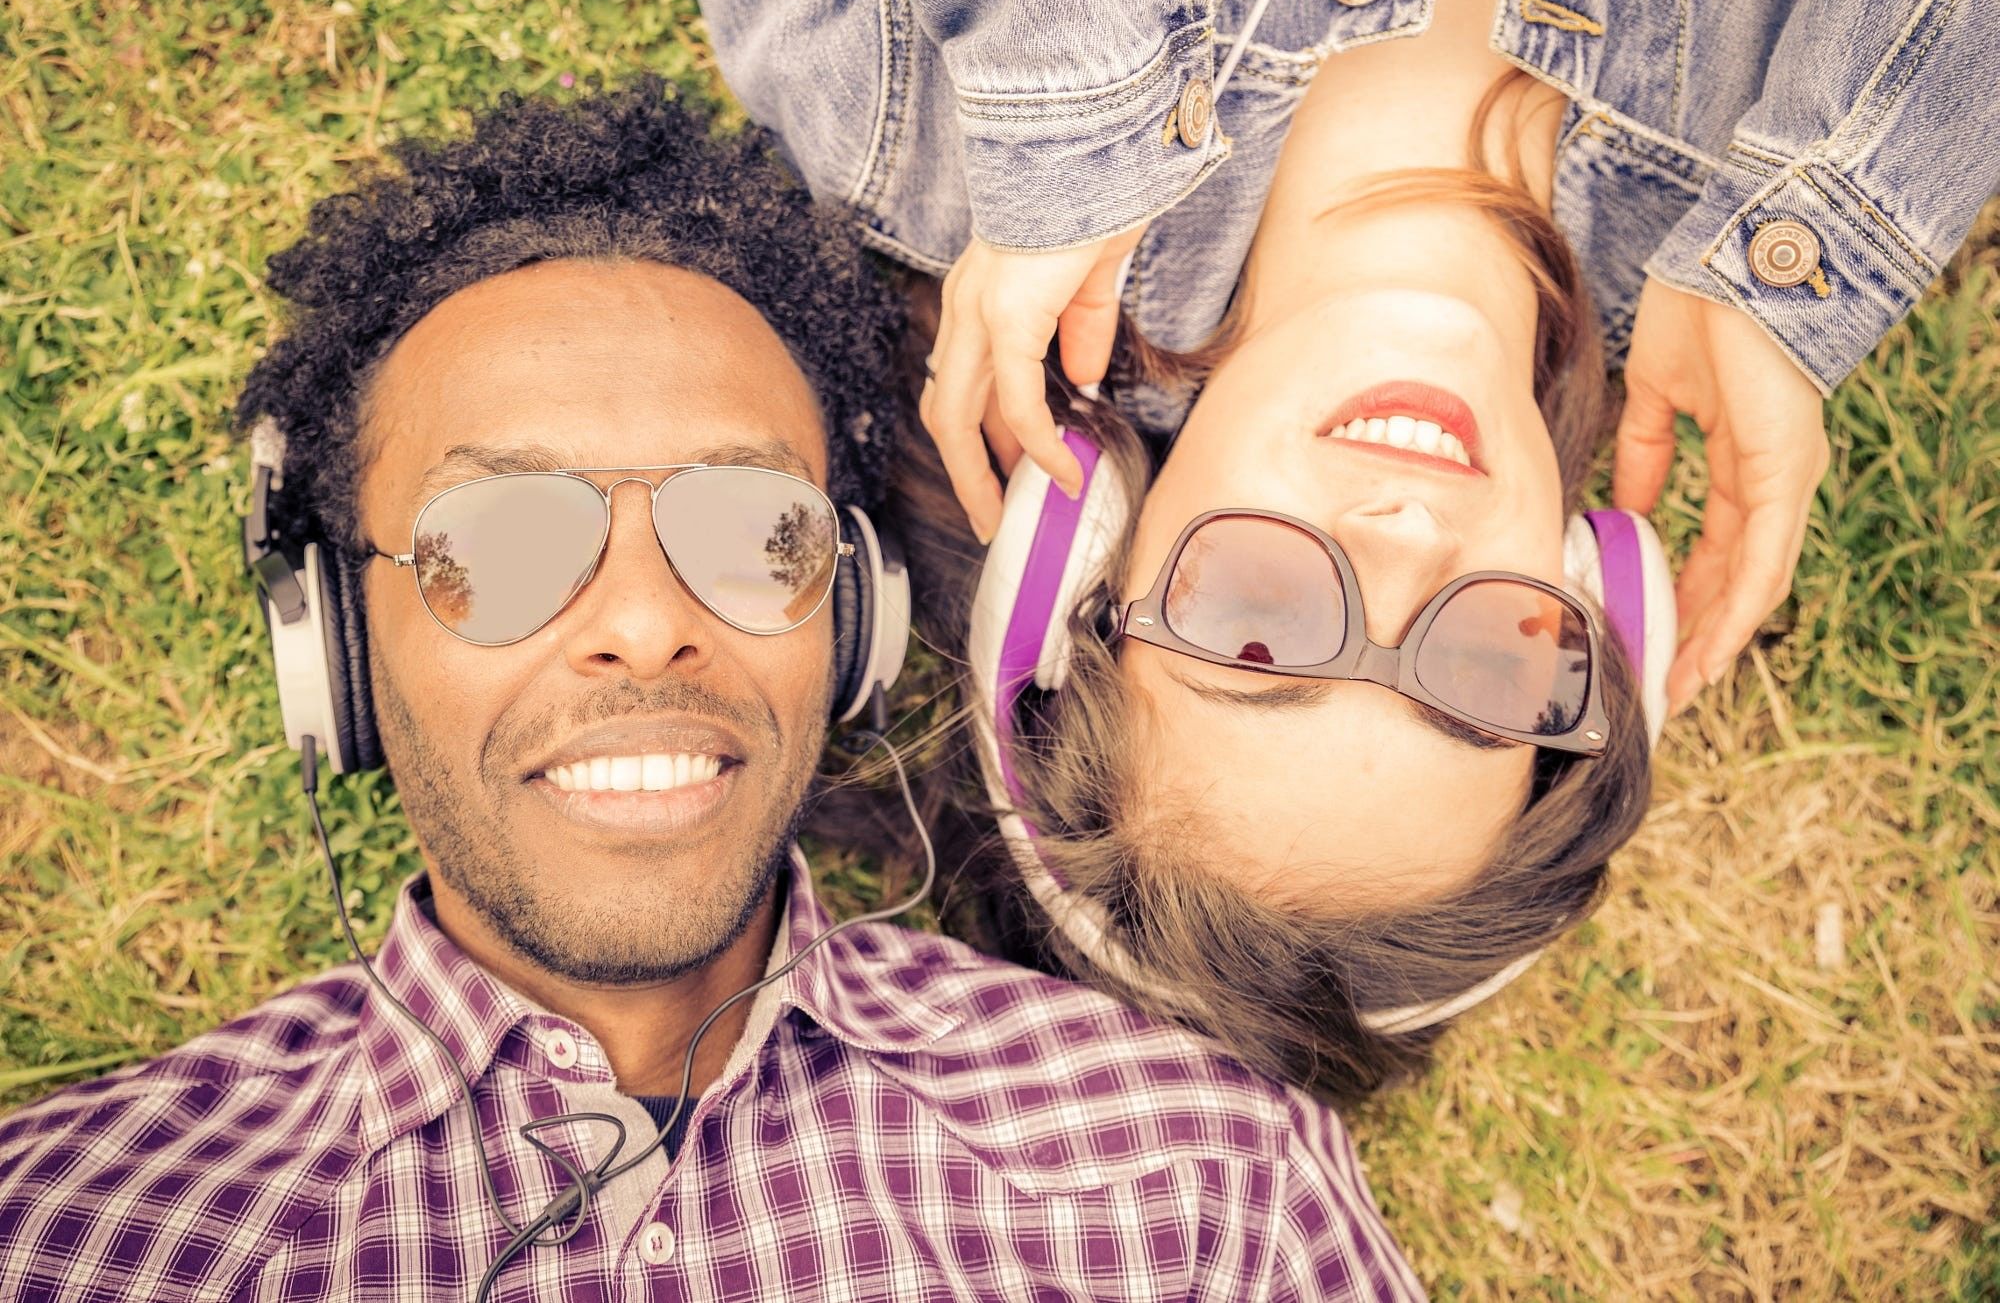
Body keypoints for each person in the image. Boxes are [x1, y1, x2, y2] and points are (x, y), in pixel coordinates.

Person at [0, 82, 1426, 1302]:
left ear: (851, 613)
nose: (639, 623)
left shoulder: (1199, 1183)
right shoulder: (66, 1238)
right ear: (338, 648)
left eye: (756, 532)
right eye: (494, 543)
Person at [693, 0, 2000, 1097]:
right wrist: (1834, 223)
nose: (1405, 534)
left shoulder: (893, 117)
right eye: (1489, 667)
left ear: (1095, 560)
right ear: (1586, 611)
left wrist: (1067, 111)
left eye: (1261, 623)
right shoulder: (1790, 154)